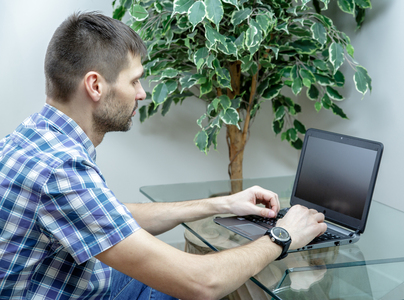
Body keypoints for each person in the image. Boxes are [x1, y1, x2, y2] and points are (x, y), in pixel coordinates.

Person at [0, 12, 327, 300]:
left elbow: (105, 215)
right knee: (206, 281)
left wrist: (221, 204)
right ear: (95, 86)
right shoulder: (61, 170)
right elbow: (201, 283)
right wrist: (283, 236)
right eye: (135, 80)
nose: (142, 93)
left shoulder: (32, 138)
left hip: (79, 283)